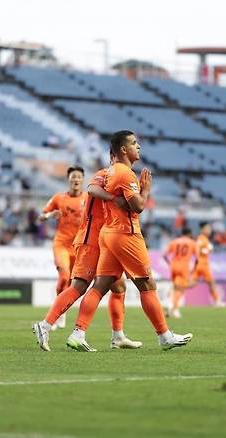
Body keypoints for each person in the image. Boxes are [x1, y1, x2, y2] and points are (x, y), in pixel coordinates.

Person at [65, 130, 192, 351]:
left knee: (101, 285)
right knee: (147, 284)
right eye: (134, 143)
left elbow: (94, 189)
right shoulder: (125, 173)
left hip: (109, 233)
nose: (138, 146)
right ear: (123, 149)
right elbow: (138, 206)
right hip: (126, 233)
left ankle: (78, 332)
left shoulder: (109, 172)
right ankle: (164, 336)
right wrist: (146, 190)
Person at [32, 155, 141, 351]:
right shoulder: (104, 176)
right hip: (89, 241)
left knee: (118, 287)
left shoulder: (117, 179)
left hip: (103, 241)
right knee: (78, 285)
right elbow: (98, 191)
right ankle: (47, 325)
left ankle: (118, 335)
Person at [38, 166, 85, 329]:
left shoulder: (88, 199)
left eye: (79, 176)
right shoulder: (58, 198)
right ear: (68, 179)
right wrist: (50, 215)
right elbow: (40, 217)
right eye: (73, 176)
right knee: (64, 277)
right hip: (61, 245)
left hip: (79, 247)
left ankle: (61, 311)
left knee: (72, 285)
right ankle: (59, 314)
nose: (76, 179)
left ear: (83, 180)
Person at [163, 227, 197, 319]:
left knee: (174, 286)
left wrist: (170, 264)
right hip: (184, 266)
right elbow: (197, 258)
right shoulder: (192, 243)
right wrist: (194, 269)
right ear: (190, 234)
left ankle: (170, 303)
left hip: (174, 265)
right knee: (181, 289)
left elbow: (164, 255)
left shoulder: (174, 241)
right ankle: (174, 307)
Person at [192, 222, 224, 306]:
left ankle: (175, 291)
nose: (209, 230)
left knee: (191, 283)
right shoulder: (201, 238)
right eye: (207, 228)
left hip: (199, 264)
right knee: (212, 282)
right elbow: (198, 248)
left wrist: (207, 249)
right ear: (202, 229)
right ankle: (217, 301)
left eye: (209, 229)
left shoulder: (204, 238)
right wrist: (207, 250)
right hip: (203, 264)